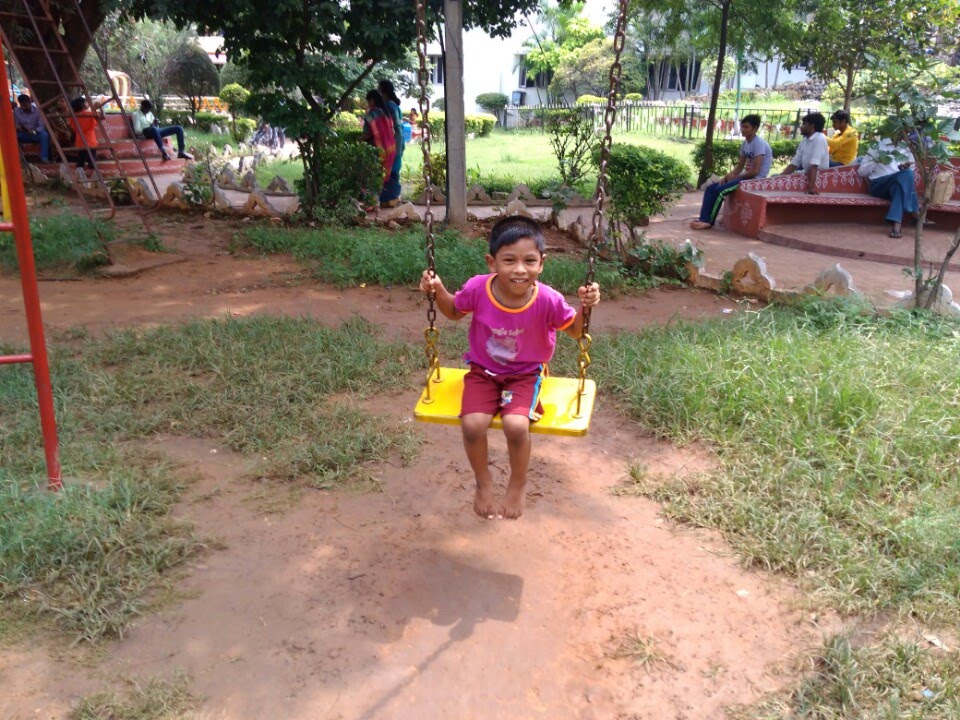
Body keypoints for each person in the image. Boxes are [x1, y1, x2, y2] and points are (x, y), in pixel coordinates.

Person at [418, 216, 601, 520]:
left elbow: (576, 330)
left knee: (516, 427)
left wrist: (587, 306)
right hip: (483, 372)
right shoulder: (479, 289)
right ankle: (483, 483)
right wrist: (436, 289)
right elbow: (451, 311)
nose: (519, 269)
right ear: (492, 262)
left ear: (541, 263)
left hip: (526, 375)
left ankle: (517, 484)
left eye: (529, 260)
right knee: (472, 424)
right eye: (509, 260)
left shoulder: (548, 299)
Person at [690, 114, 772, 230]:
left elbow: (755, 171)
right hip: (744, 177)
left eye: (746, 127)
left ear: (755, 128)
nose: (743, 130)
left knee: (720, 191)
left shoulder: (759, 144)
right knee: (710, 189)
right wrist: (728, 176)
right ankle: (703, 218)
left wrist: (737, 177)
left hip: (755, 180)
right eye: (742, 127)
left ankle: (708, 222)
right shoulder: (745, 144)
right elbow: (739, 167)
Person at [857, 137, 919, 238]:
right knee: (906, 176)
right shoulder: (878, 145)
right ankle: (915, 212)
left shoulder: (905, 147)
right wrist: (876, 160)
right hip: (878, 184)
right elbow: (861, 172)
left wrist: (901, 167)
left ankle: (896, 224)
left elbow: (911, 170)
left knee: (902, 182)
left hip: (896, 185)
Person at [777, 112, 830, 194]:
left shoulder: (820, 139)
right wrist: (780, 177)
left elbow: (814, 166)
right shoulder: (805, 140)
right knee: (775, 177)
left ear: (812, 126)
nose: (801, 127)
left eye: (804, 124)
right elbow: (794, 163)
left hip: (819, 180)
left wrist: (811, 188)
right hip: (806, 175)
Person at [360, 89, 397, 204]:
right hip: (390, 149)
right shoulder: (385, 113)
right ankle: (377, 202)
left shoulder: (372, 114)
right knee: (380, 177)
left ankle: (372, 202)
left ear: (371, 100)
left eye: (368, 101)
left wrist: (358, 140)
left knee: (370, 176)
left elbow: (368, 133)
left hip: (377, 150)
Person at [69, 95, 114, 171]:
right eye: (85, 103)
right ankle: (93, 176)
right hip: (90, 141)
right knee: (92, 162)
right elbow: (102, 117)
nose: (87, 104)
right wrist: (100, 107)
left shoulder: (72, 116)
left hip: (80, 141)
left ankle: (79, 175)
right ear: (82, 105)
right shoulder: (90, 114)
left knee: (80, 160)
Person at [377, 79, 404, 206]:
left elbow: (394, 127)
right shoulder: (395, 105)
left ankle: (391, 198)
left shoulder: (388, 106)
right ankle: (392, 198)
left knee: (389, 169)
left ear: (383, 92)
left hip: (392, 143)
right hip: (397, 141)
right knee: (393, 169)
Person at [14, 94, 50, 163]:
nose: (24, 107)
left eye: (25, 105)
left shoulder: (38, 111)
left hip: (35, 134)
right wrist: (20, 128)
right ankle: (17, 158)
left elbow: (41, 126)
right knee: (13, 136)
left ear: (30, 102)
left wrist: (34, 131)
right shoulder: (17, 111)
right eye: (22, 106)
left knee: (44, 135)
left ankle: (44, 158)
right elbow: (16, 125)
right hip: (23, 134)